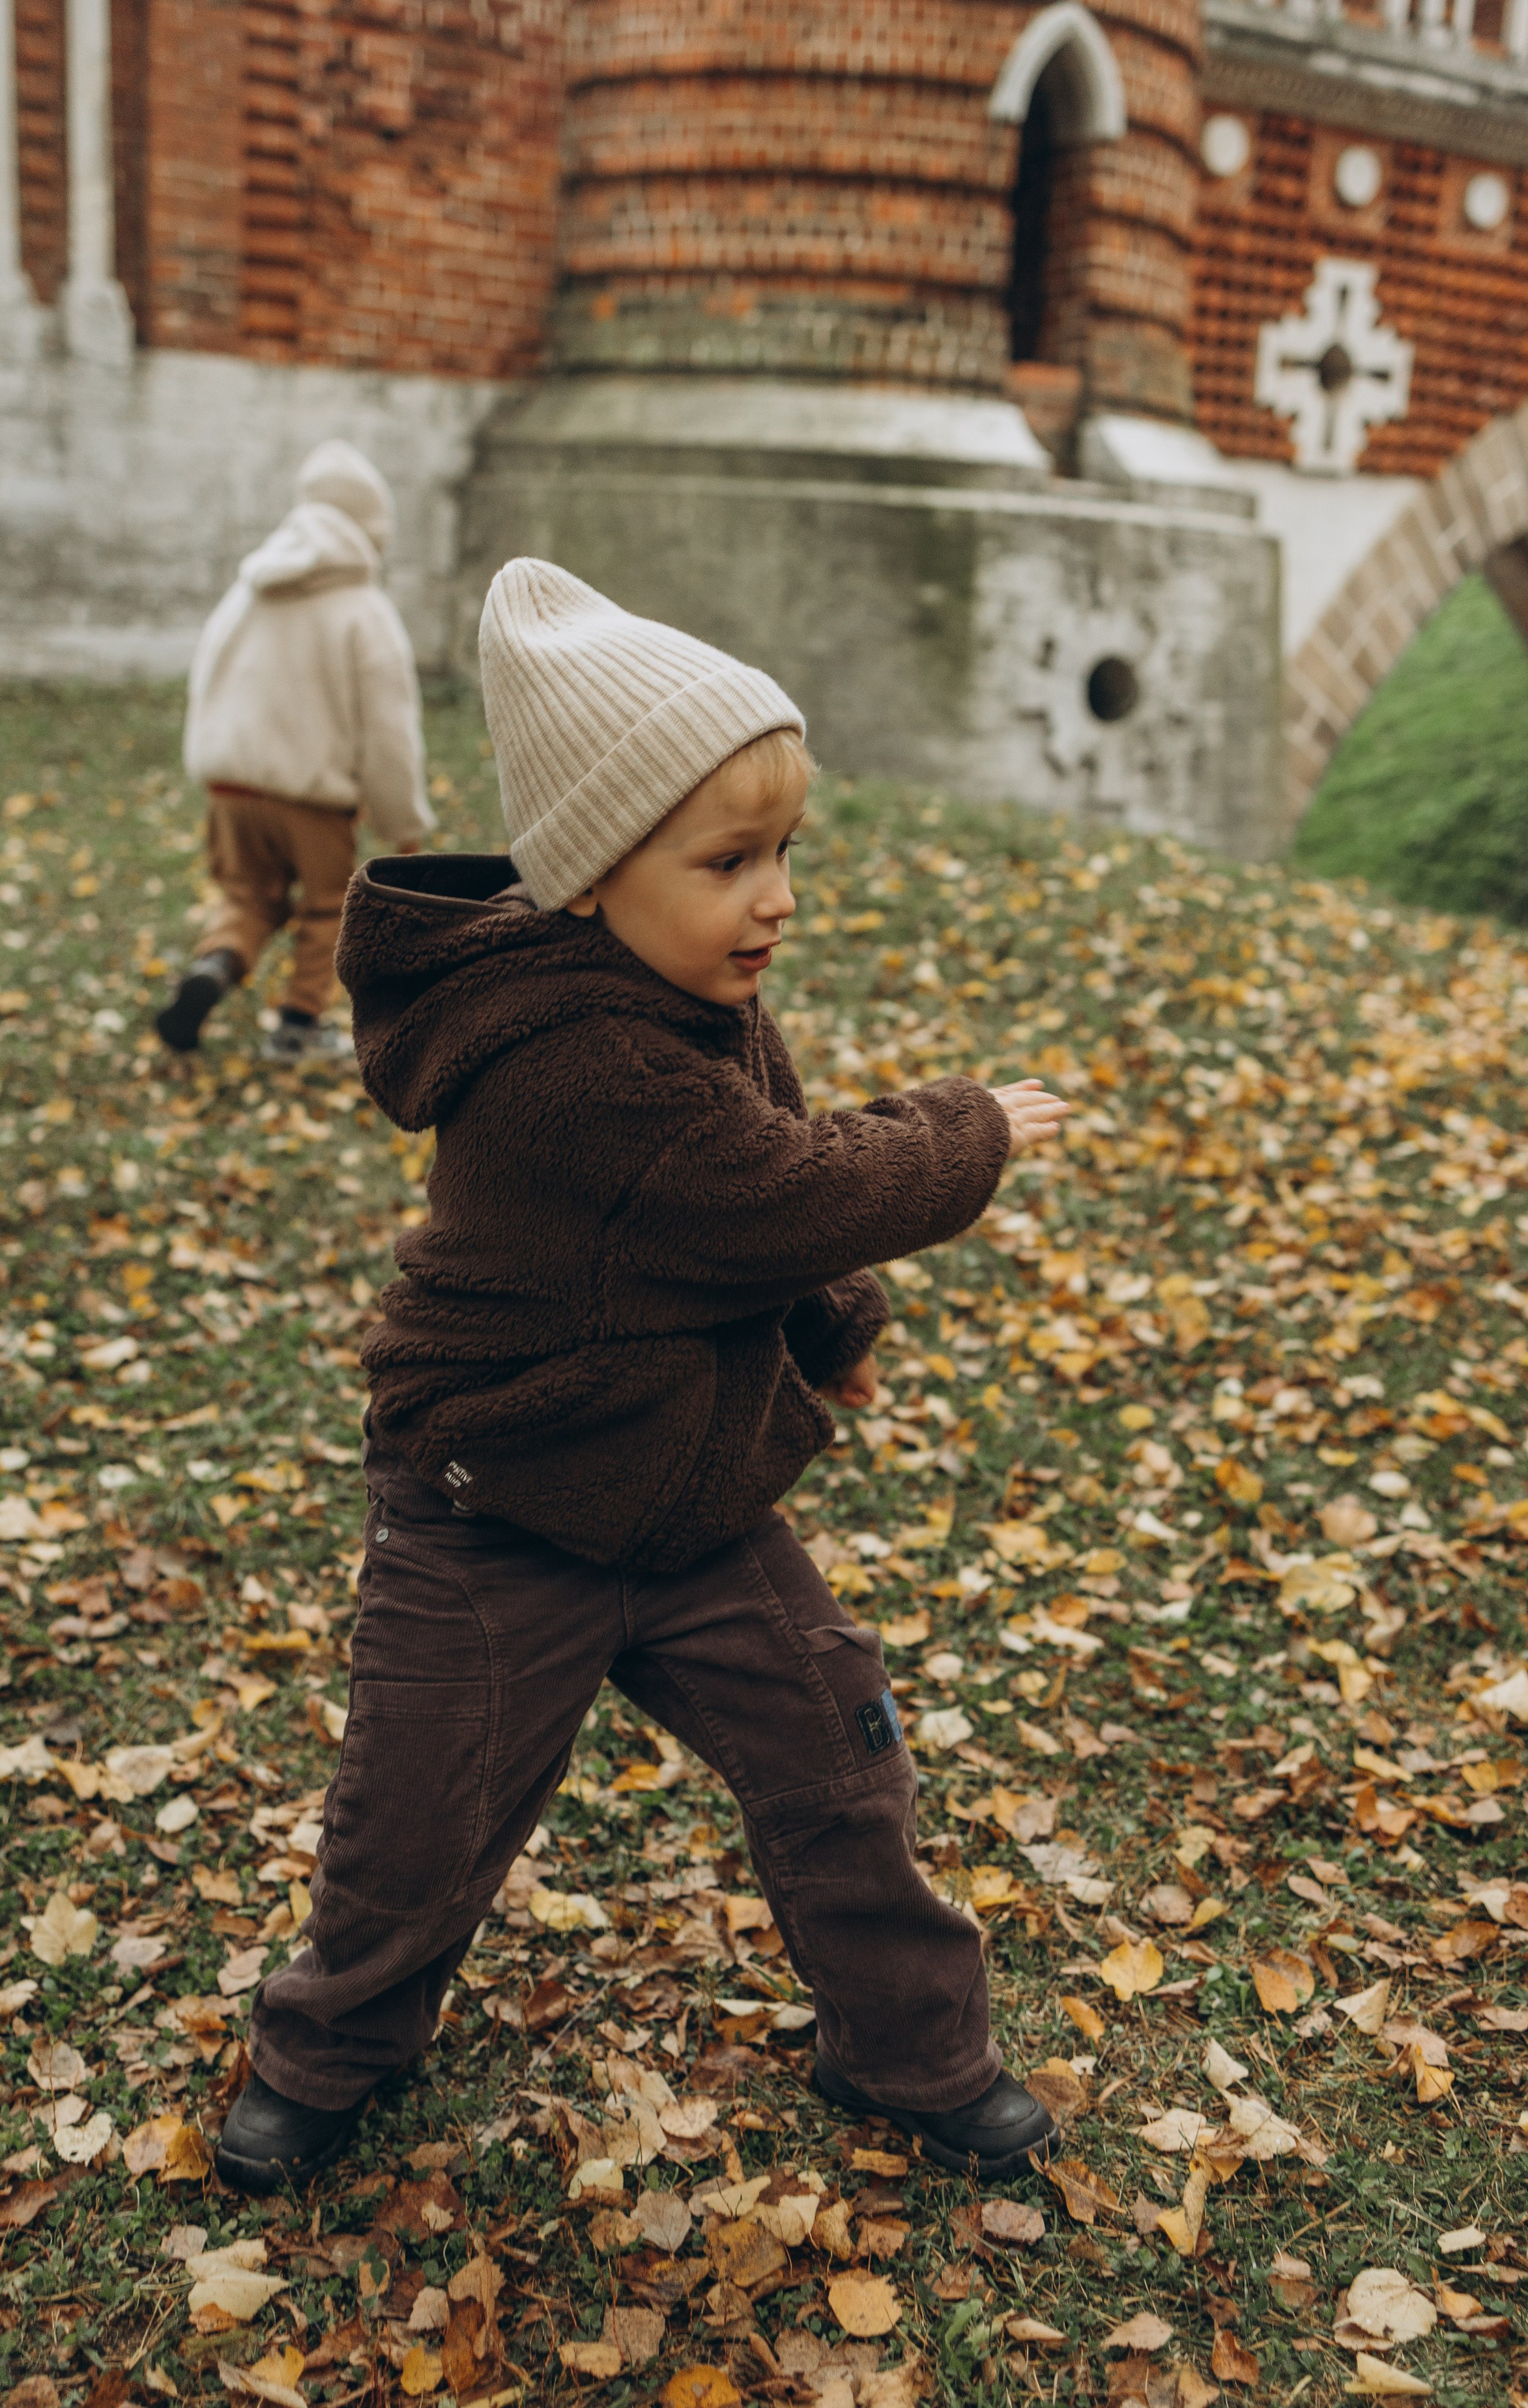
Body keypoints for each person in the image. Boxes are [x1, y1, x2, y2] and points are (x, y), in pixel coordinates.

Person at [216, 558, 1071, 2196]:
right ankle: (329, 2051)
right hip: (494, 1507)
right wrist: (965, 1131)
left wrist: (834, 1333)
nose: (775, 898)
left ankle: (906, 2047)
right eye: (729, 860)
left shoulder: (693, 1002)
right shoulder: (567, 1066)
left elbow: (752, 1208)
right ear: (594, 879)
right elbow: (777, 1185)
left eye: (785, 853)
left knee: (840, 1750)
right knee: (418, 1819)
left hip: (684, 1497)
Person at [154, 439, 433, 1062]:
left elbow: (207, 679)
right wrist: (402, 823)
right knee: (329, 907)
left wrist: (213, 763)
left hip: (229, 788)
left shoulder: (247, 593)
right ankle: (299, 1027)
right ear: (371, 529)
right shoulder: (364, 611)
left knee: (247, 895)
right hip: (311, 800)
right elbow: (388, 729)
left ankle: (214, 968)